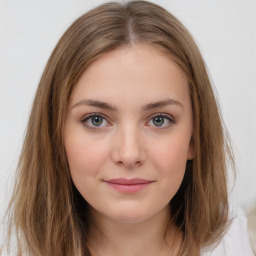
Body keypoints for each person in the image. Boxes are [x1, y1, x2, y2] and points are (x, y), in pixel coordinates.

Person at [2, 1, 253, 255]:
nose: (129, 154)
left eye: (159, 120)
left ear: (195, 137)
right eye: (96, 120)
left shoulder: (231, 243)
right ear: (55, 136)